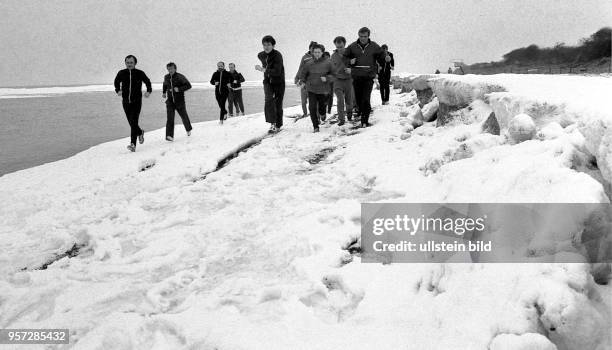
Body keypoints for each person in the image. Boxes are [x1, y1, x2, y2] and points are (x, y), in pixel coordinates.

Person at [344, 27, 383, 128]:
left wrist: (385, 59)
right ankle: (362, 110)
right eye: (361, 36)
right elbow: (344, 57)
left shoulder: (374, 46)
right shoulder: (352, 46)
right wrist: (349, 62)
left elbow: (381, 55)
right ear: (358, 35)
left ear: (368, 36)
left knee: (366, 98)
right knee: (359, 99)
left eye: (365, 36)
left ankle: (364, 121)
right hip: (356, 76)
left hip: (368, 76)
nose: (363, 38)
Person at [114, 55, 152, 152]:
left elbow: (147, 81)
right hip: (126, 101)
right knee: (131, 122)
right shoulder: (121, 73)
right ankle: (140, 132)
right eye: (127, 62)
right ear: (125, 63)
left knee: (134, 121)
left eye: (131, 62)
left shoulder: (139, 73)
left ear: (135, 63)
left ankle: (133, 144)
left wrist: (148, 91)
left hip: (137, 101)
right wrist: (118, 90)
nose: (129, 64)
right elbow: (116, 82)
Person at [298, 44, 335, 133]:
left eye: (319, 52)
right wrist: (302, 82)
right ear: (312, 53)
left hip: (323, 90)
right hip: (311, 89)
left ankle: (322, 114)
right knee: (312, 108)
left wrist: (327, 78)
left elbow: (334, 75)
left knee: (322, 107)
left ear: (322, 52)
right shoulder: (308, 63)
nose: (317, 54)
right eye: (315, 52)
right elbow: (303, 75)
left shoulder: (328, 62)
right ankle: (315, 126)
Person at [256, 35, 285, 133]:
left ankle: (278, 124)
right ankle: (272, 124)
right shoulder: (261, 55)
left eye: (268, 45)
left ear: (273, 45)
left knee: (278, 103)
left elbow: (277, 71)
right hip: (267, 81)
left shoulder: (277, 55)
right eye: (264, 45)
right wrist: (264, 68)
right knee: (269, 100)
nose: (266, 47)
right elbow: (261, 56)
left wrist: (263, 69)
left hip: (279, 82)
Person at [162, 62, 193, 141]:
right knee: (170, 118)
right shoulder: (166, 77)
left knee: (184, 116)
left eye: (171, 68)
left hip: (179, 101)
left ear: (175, 68)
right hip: (170, 101)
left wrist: (179, 89)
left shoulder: (180, 77)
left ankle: (188, 129)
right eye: (168, 69)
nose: (170, 70)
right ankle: (169, 136)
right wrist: (164, 93)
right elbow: (165, 85)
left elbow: (188, 85)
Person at [331, 36, 354, 125]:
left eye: (341, 47)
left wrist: (351, 68)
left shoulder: (350, 54)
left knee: (349, 101)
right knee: (340, 99)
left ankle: (349, 112)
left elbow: (356, 66)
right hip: (337, 81)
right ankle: (341, 120)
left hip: (348, 80)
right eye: (337, 47)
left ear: (344, 44)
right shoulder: (333, 56)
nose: (339, 49)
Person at [294, 41, 317, 119]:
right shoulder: (305, 57)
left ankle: (315, 115)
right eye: (311, 48)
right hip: (304, 81)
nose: (312, 50)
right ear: (309, 48)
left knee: (313, 101)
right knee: (303, 101)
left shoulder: (319, 56)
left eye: (314, 48)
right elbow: (301, 68)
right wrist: (297, 77)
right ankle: (305, 114)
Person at [322, 50, 333, 115]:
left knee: (330, 96)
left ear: (329, 57)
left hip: (331, 82)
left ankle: (329, 110)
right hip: (324, 83)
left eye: (327, 57)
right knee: (325, 97)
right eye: (325, 57)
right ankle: (325, 109)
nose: (326, 59)